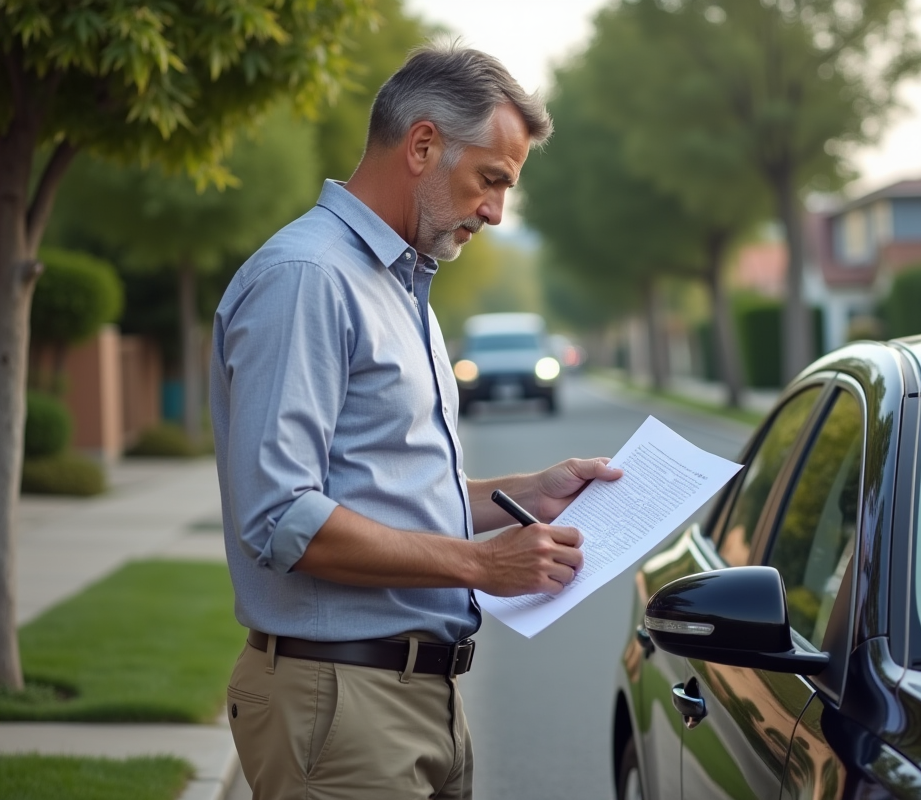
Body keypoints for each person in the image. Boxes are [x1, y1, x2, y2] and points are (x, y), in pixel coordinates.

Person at [210, 42, 621, 799]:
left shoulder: (401, 287)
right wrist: (478, 564)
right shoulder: (307, 280)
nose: (496, 212)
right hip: (339, 707)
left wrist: (525, 492)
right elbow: (282, 517)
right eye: (490, 180)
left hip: (419, 699)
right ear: (423, 145)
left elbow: (387, 487)